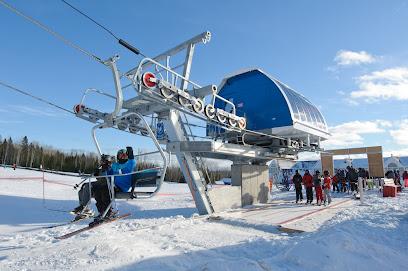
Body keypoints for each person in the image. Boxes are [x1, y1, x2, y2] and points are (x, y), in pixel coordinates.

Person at [72, 147, 136, 225]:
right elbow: (108, 176)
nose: (122, 158)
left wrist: (131, 156)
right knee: (98, 189)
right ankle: (102, 212)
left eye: (124, 156)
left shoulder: (128, 165)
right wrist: (105, 169)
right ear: (117, 157)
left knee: (105, 189)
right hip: (113, 184)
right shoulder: (115, 165)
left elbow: (132, 163)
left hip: (122, 187)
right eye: (120, 156)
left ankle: (108, 212)